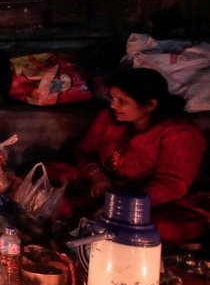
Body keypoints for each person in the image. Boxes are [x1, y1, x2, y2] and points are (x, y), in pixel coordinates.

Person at [74, 67, 206, 241]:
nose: (113, 105)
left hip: (154, 203)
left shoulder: (180, 134)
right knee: (56, 182)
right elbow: (83, 152)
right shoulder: (108, 118)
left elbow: (171, 185)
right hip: (107, 191)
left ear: (150, 105)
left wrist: (122, 207)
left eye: (123, 101)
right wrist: (97, 175)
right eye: (112, 98)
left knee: (163, 228)